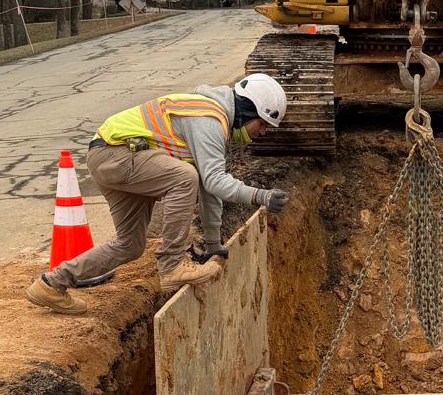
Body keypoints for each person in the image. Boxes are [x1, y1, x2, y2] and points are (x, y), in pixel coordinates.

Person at [26, 73, 291, 314]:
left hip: (115, 158)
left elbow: (208, 188)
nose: (263, 132)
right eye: (263, 123)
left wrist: (213, 245)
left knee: (130, 245)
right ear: (248, 110)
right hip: (115, 153)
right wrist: (261, 196)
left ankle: (52, 283)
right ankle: (172, 264)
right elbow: (213, 181)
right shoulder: (209, 120)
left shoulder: (212, 119)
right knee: (184, 177)